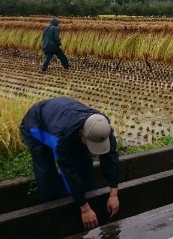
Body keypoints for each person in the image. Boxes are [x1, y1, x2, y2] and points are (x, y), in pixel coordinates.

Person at [20, 97, 120, 229]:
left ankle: (84, 196)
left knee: (85, 162)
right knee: (46, 172)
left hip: (64, 119)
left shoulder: (101, 126)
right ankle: (55, 210)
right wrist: (84, 209)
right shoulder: (62, 137)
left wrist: (114, 193)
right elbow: (68, 171)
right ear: (81, 134)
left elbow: (111, 157)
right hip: (36, 125)